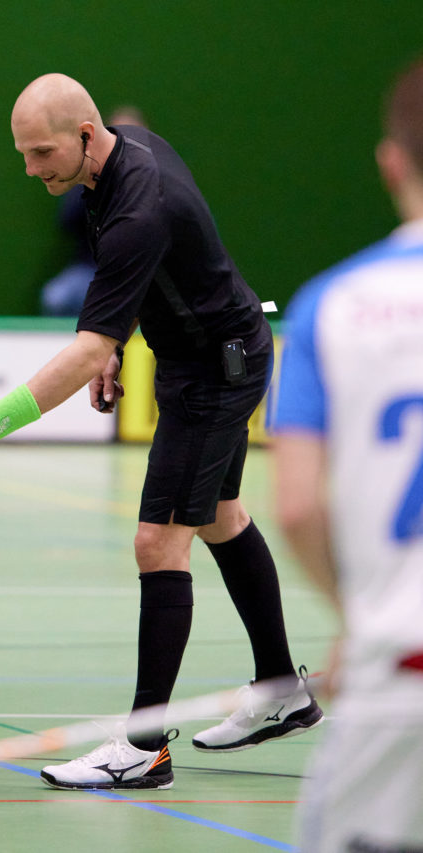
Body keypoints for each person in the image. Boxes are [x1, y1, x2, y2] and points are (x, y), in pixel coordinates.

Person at [0, 73, 322, 790]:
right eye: (22, 154)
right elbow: (140, 283)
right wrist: (117, 343)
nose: (31, 169)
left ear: (82, 135)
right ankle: (281, 692)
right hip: (208, 355)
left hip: (214, 371)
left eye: (41, 154)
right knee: (222, 518)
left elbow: (81, 345)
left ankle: (141, 747)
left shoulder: (140, 203)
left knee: (158, 541)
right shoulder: (120, 156)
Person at [274, 57, 423, 853]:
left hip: (396, 674)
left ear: (390, 160)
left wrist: (358, 617)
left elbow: (297, 506)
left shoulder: (330, 305)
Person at [40, 107, 146, 317]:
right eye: (119, 134)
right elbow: (67, 221)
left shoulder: (152, 179)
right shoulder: (88, 172)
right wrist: (92, 184)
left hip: (141, 271)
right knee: (56, 297)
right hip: (90, 270)